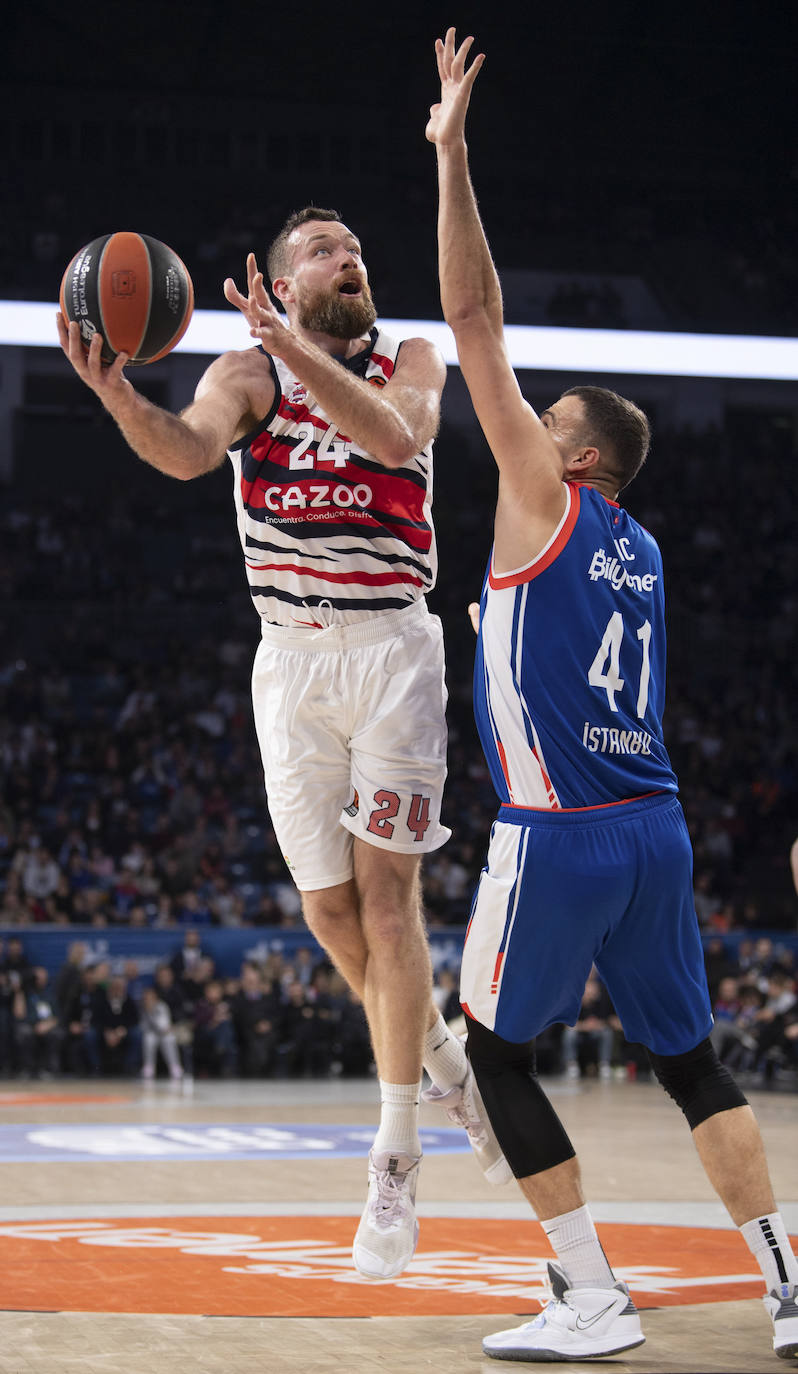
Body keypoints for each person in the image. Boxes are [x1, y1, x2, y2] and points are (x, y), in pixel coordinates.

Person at [426, 28, 798, 1363]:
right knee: (692, 1061)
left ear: (570, 450)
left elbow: (471, 317)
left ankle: (589, 1292)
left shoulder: (543, 495)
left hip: (558, 828)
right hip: (656, 826)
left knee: (491, 1057)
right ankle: (784, 1281)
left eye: (539, 416)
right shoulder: (637, 550)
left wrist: (451, 150)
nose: (513, 422)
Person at [57, 200, 508, 1279]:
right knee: (325, 910)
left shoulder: (412, 355)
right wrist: (118, 392)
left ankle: (394, 1160)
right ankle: (443, 1061)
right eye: (322, 250)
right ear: (275, 276)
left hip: (393, 650)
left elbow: (397, 436)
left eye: (355, 244)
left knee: (389, 902)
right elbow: (185, 453)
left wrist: (294, 343)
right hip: (290, 658)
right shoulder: (246, 378)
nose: (349, 256)